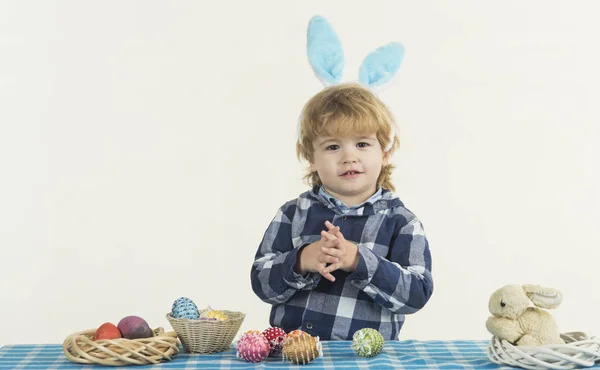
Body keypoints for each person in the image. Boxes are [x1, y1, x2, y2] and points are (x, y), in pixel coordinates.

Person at [250, 81, 433, 340]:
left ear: (385, 153)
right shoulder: (292, 214)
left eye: (362, 144)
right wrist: (300, 261)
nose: (349, 157)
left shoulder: (402, 222)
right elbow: (261, 283)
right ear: (311, 158)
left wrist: (359, 261)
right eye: (333, 146)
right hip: (294, 356)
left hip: (368, 361)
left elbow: (416, 294)